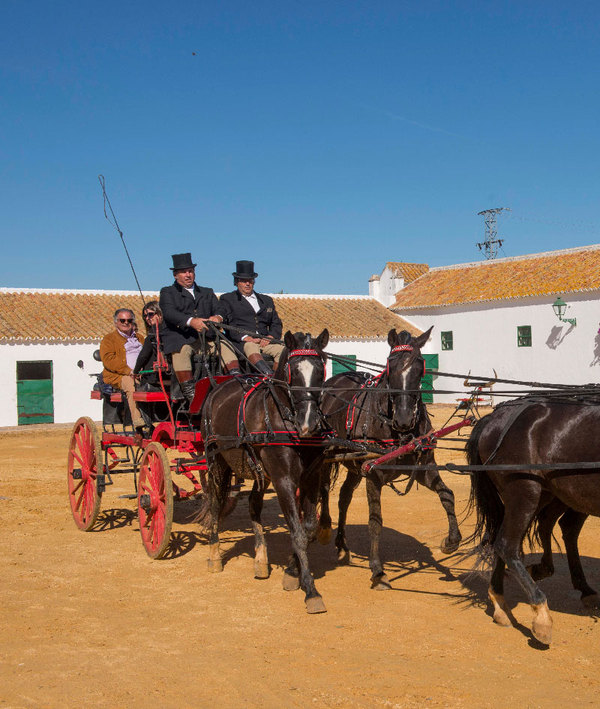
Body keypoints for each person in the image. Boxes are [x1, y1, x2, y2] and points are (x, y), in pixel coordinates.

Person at [159, 253, 238, 402]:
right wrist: (191, 321)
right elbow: (169, 313)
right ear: (176, 275)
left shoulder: (207, 292)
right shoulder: (167, 292)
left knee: (226, 346)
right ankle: (191, 394)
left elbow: (221, 309)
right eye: (184, 272)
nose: (188, 275)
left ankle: (236, 382)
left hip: (207, 338)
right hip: (182, 338)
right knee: (180, 352)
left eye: (190, 271)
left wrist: (217, 318)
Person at [219, 260, 283, 375]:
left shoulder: (267, 300)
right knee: (251, 346)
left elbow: (276, 323)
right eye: (244, 281)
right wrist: (245, 337)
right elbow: (229, 324)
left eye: (250, 280)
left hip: (265, 342)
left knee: (283, 351)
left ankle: (278, 379)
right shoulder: (228, 299)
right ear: (237, 282)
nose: (247, 284)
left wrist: (270, 336)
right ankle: (268, 376)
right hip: (242, 343)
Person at [100, 308, 146, 438]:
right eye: (122, 320)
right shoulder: (109, 340)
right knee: (130, 383)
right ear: (116, 322)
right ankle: (137, 420)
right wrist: (129, 371)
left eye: (129, 320)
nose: (126, 323)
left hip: (142, 374)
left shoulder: (140, 338)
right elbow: (109, 360)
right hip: (118, 376)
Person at [133, 301, 166, 390]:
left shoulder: (152, 334)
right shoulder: (170, 331)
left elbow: (143, 356)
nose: (147, 318)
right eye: (145, 316)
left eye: (150, 314)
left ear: (160, 314)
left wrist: (135, 371)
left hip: (153, 377)